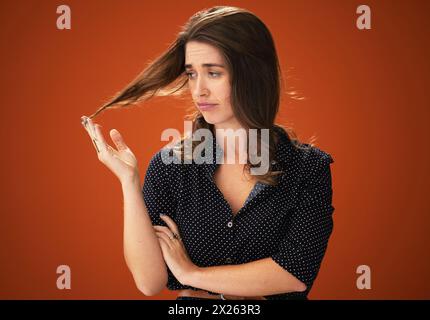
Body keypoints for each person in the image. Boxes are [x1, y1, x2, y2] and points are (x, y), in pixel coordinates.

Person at [81, 6, 335, 300]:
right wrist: (128, 182)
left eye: (213, 73)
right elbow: (149, 282)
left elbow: (294, 273)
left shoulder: (308, 168)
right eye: (191, 74)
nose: (198, 90)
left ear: (252, 74)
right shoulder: (169, 166)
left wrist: (193, 275)